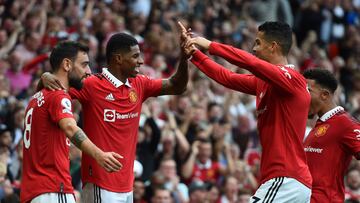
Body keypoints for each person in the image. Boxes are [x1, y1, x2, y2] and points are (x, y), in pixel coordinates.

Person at [42, 32, 190, 202]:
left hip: (127, 186)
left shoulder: (140, 84)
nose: (141, 61)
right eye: (135, 56)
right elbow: (55, 89)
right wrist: (45, 77)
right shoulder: (91, 85)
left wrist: (184, 59)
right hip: (100, 183)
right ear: (118, 59)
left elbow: (177, 86)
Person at [179, 21, 312, 202]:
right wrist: (194, 54)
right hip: (284, 179)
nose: (254, 48)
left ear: (273, 46)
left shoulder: (293, 80)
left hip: (285, 178)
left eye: (258, 42)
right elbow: (228, 77)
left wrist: (209, 45)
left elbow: (251, 63)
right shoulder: (264, 82)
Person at [20, 41, 122, 203]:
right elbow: (69, 127)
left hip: (33, 192)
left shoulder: (36, 98)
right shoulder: (58, 96)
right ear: (67, 64)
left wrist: (44, 76)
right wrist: (99, 155)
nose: (88, 71)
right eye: (84, 65)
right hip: (53, 189)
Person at [303, 68, 360, 203]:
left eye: (308, 91)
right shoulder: (320, 125)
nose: (302, 96)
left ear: (324, 95)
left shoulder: (345, 123)